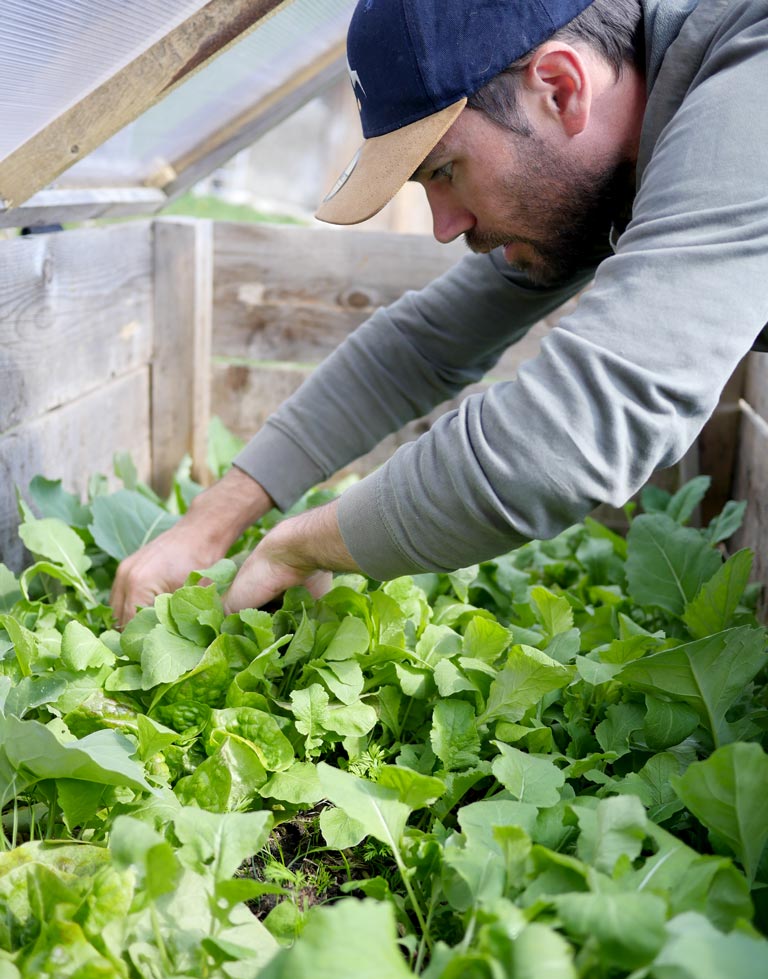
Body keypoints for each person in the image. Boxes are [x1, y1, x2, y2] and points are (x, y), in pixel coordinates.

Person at [111, 0, 768, 626]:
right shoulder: (608, 162)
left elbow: (568, 438)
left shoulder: (749, 90)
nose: (445, 227)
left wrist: (300, 547)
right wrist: (209, 524)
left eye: (445, 170)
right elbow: (423, 348)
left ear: (562, 90)